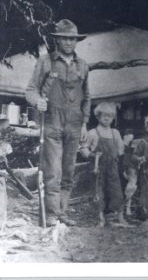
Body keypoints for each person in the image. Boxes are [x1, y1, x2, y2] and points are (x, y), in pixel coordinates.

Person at [26, 19, 90, 227]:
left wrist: (84, 124)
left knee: (68, 171)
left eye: (72, 38)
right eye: (64, 38)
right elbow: (31, 90)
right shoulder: (45, 61)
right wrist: (38, 101)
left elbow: (87, 97)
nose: (69, 42)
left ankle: (62, 212)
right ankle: (51, 214)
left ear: (76, 41)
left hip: (74, 124)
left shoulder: (83, 65)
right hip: (52, 122)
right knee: (53, 171)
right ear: (57, 40)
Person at [80, 102, 126, 227]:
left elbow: (121, 149)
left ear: (113, 118)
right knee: (97, 191)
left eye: (110, 116)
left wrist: (116, 156)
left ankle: (120, 217)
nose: (107, 118)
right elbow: (83, 149)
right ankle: (100, 218)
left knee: (116, 190)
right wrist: (92, 155)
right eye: (104, 116)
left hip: (112, 166)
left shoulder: (115, 133)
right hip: (97, 167)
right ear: (98, 117)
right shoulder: (92, 133)